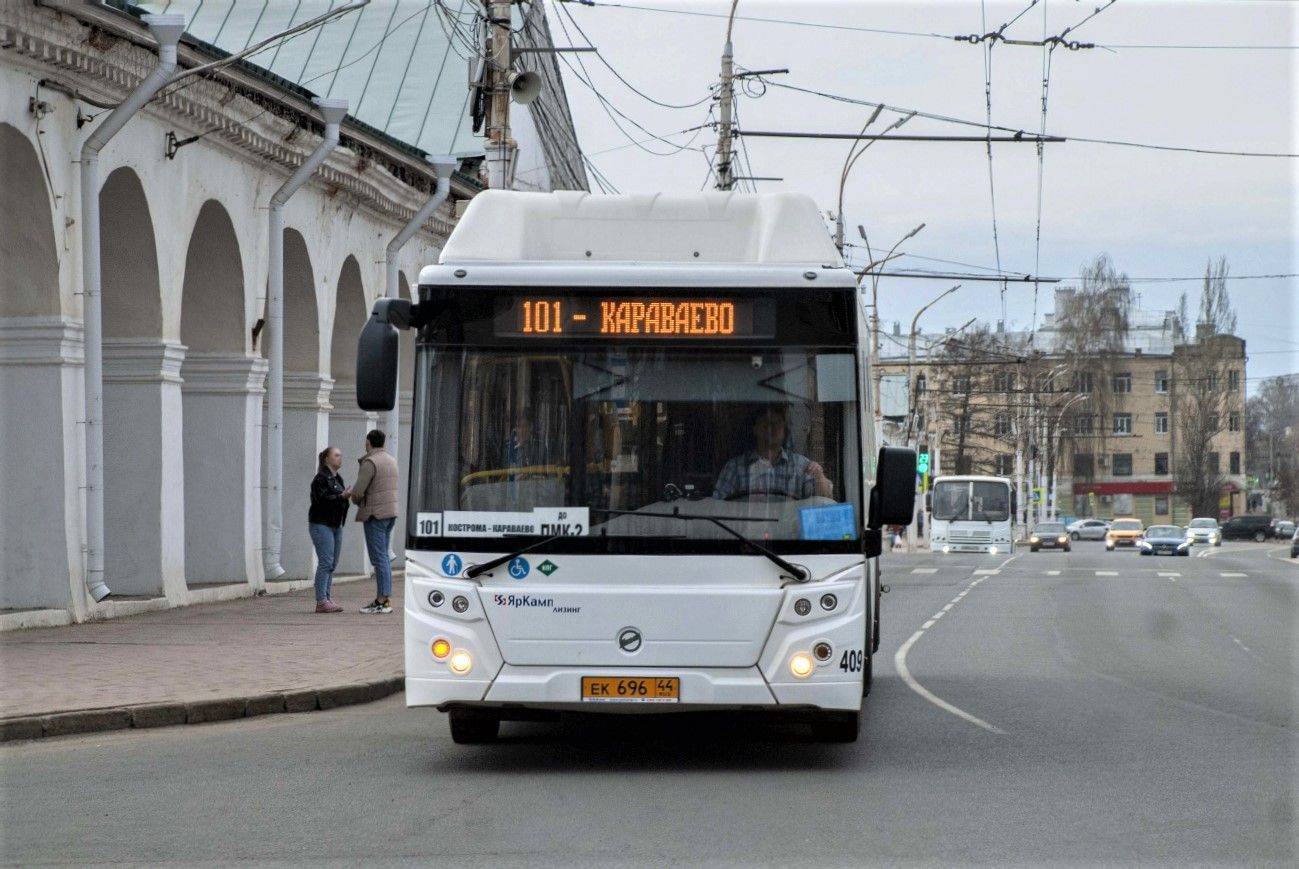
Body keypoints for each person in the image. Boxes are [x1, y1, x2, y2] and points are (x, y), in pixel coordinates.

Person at [712, 406, 833, 501]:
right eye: (766, 423)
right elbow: (718, 508)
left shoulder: (802, 466)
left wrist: (819, 477)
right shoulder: (734, 468)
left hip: (790, 532)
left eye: (778, 423)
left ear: (784, 429)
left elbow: (824, 504)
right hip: (744, 532)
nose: (772, 428)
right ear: (755, 429)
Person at [350, 429, 399, 614]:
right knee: (383, 556)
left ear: (368, 442)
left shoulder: (371, 462)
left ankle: (382, 600)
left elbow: (358, 491)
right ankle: (384, 598)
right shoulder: (391, 460)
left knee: (379, 558)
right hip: (389, 513)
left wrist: (354, 498)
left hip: (375, 515)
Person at [308, 447, 351, 613]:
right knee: (326, 562)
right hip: (321, 524)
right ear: (326, 458)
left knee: (332, 563)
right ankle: (321, 601)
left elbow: (340, 500)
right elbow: (321, 500)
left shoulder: (336, 478)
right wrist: (341, 497)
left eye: (341, 455)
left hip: (335, 524)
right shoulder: (321, 478)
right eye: (336, 455)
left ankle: (326, 596)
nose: (340, 458)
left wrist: (345, 497)